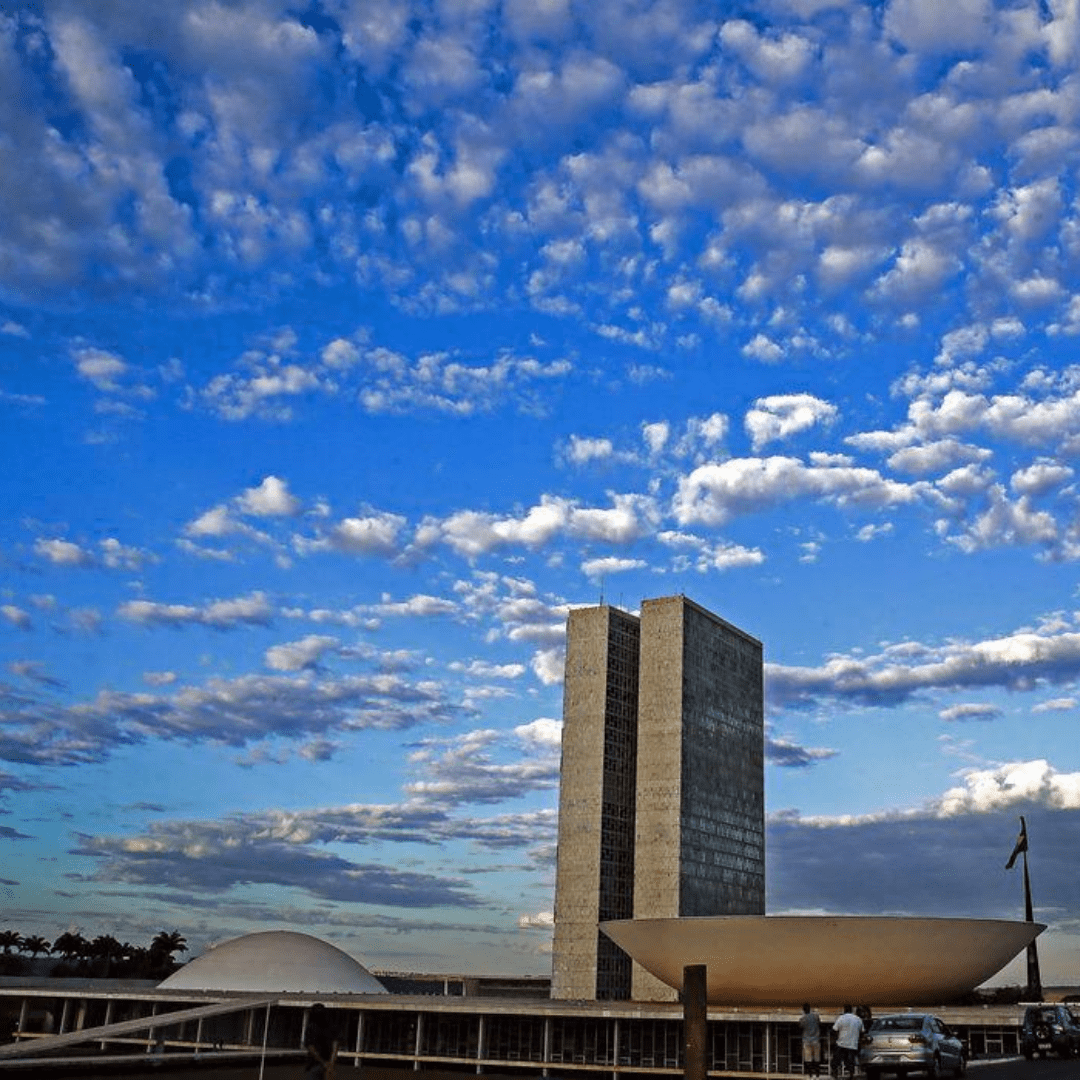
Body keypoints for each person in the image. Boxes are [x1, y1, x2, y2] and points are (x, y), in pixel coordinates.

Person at [303, 1003, 338, 1080]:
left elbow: (311, 1048)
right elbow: (335, 1047)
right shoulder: (331, 1027)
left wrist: (324, 1063)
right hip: (327, 1065)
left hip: (315, 1064)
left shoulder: (311, 1027)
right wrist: (331, 1064)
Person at [832, 1004, 863, 1078]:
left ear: (844, 1010)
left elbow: (834, 1030)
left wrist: (836, 1039)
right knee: (851, 1061)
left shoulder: (841, 1018)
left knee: (836, 1061)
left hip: (841, 1043)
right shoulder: (858, 1019)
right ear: (852, 1010)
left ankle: (835, 1074)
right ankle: (851, 1075)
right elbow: (862, 1032)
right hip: (853, 1044)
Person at [799, 1003, 822, 1077]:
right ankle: (817, 1074)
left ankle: (810, 1074)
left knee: (808, 1059)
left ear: (804, 1010)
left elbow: (800, 1026)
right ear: (810, 1008)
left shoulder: (803, 1019)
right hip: (816, 1039)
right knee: (817, 1058)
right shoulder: (815, 1016)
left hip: (806, 1040)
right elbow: (819, 1023)